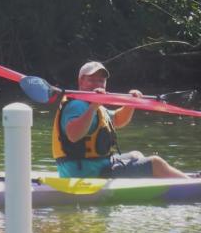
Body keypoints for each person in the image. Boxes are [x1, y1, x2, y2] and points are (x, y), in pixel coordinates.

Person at [52, 61, 189, 179]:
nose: (97, 84)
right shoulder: (77, 105)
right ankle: (191, 184)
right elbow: (73, 135)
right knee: (155, 162)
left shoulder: (92, 105)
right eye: (92, 79)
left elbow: (117, 120)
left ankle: (164, 178)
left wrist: (131, 103)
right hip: (85, 174)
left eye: (101, 80)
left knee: (136, 155)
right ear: (81, 81)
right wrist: (93, 107)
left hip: (95, 167)